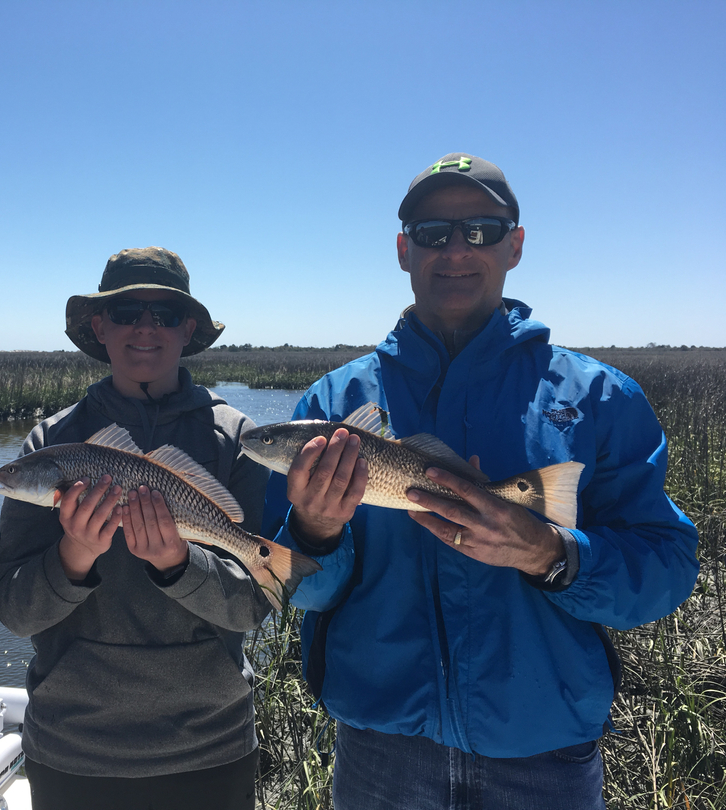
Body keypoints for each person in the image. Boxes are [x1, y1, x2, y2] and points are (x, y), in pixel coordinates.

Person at [263, 154, 700, 809]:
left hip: (544, 759)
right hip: (382, 753)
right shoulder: (333, 402)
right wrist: (316, 530)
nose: (457, 250)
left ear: (516, 245)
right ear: (404, 250)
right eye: (435, 233)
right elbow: (296, 586)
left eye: (483, 229)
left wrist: (552, 554)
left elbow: (665, 570)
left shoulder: (600, 397)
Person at [0, 247, 271, 810]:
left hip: (210, 747)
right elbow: (14, 614)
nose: (145, 327)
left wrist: (179, 564)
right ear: (99, 325)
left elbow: (252, 607)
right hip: (74, 748)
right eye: (126, 313)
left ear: (188, 328)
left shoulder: (237, 439)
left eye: (164, 315)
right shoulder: (50, 443)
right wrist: (72, 557)